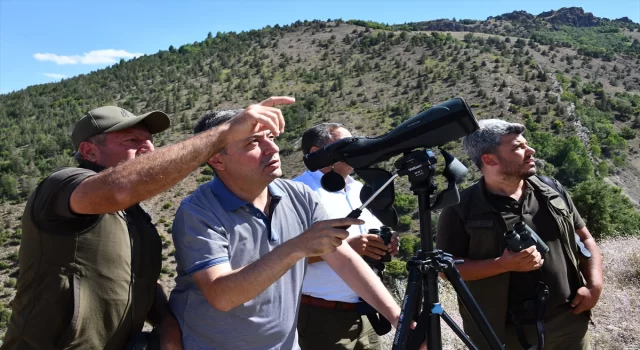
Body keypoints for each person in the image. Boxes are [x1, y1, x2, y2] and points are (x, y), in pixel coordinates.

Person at [2, 97, 291, 350]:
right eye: (132, 141)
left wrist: (165, 322)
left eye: (149, 139)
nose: (148, 148)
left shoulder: (133, 213)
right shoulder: (62, 185)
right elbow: (118, 189)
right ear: (89, 152)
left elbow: (140, 277)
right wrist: (224, 135)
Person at [169, 109, 402, 349]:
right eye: (253, 142)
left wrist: (399, 318)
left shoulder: (299, 196)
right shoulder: (198, 212)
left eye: (270, 137)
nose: (273, 148)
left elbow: (344, 260)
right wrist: (297, 247)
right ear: (217, 160)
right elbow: (222, 296)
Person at [435, 119, 603, 350]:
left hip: (569, 323)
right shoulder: (461, 208)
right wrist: (503, 264)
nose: (530, 151)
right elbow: (447, 269)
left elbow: (584, 237)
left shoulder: (550, 189)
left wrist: (594, 285)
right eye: (517, 147)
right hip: (506, 334)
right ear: (489, 159)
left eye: (526, 144)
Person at [292, 123, 399, 350]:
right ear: (316, 153)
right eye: (344, 145)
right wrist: (349, 247)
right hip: (323, 317)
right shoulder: (297, 192)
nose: (355, 150)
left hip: (366, 313)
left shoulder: (358, 188)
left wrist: (387, 245)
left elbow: (370, 235)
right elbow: (284, 256)